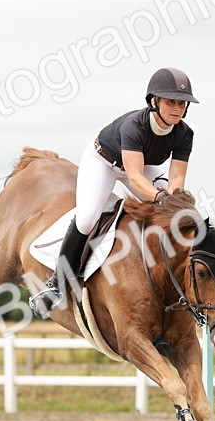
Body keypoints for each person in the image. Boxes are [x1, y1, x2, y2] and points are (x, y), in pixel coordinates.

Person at [29, 66, 198, 318]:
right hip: (104, 162)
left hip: (145, 165)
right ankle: (56, 282)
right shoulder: (135, 126)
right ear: (155, 101)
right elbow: (134, 177)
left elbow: (176, 179)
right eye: (171, 101)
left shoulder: (184, 134)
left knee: (172, 210)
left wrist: (172, 202)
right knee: (87, 218)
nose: (177, 108)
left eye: (182, 103)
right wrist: (161, 197)